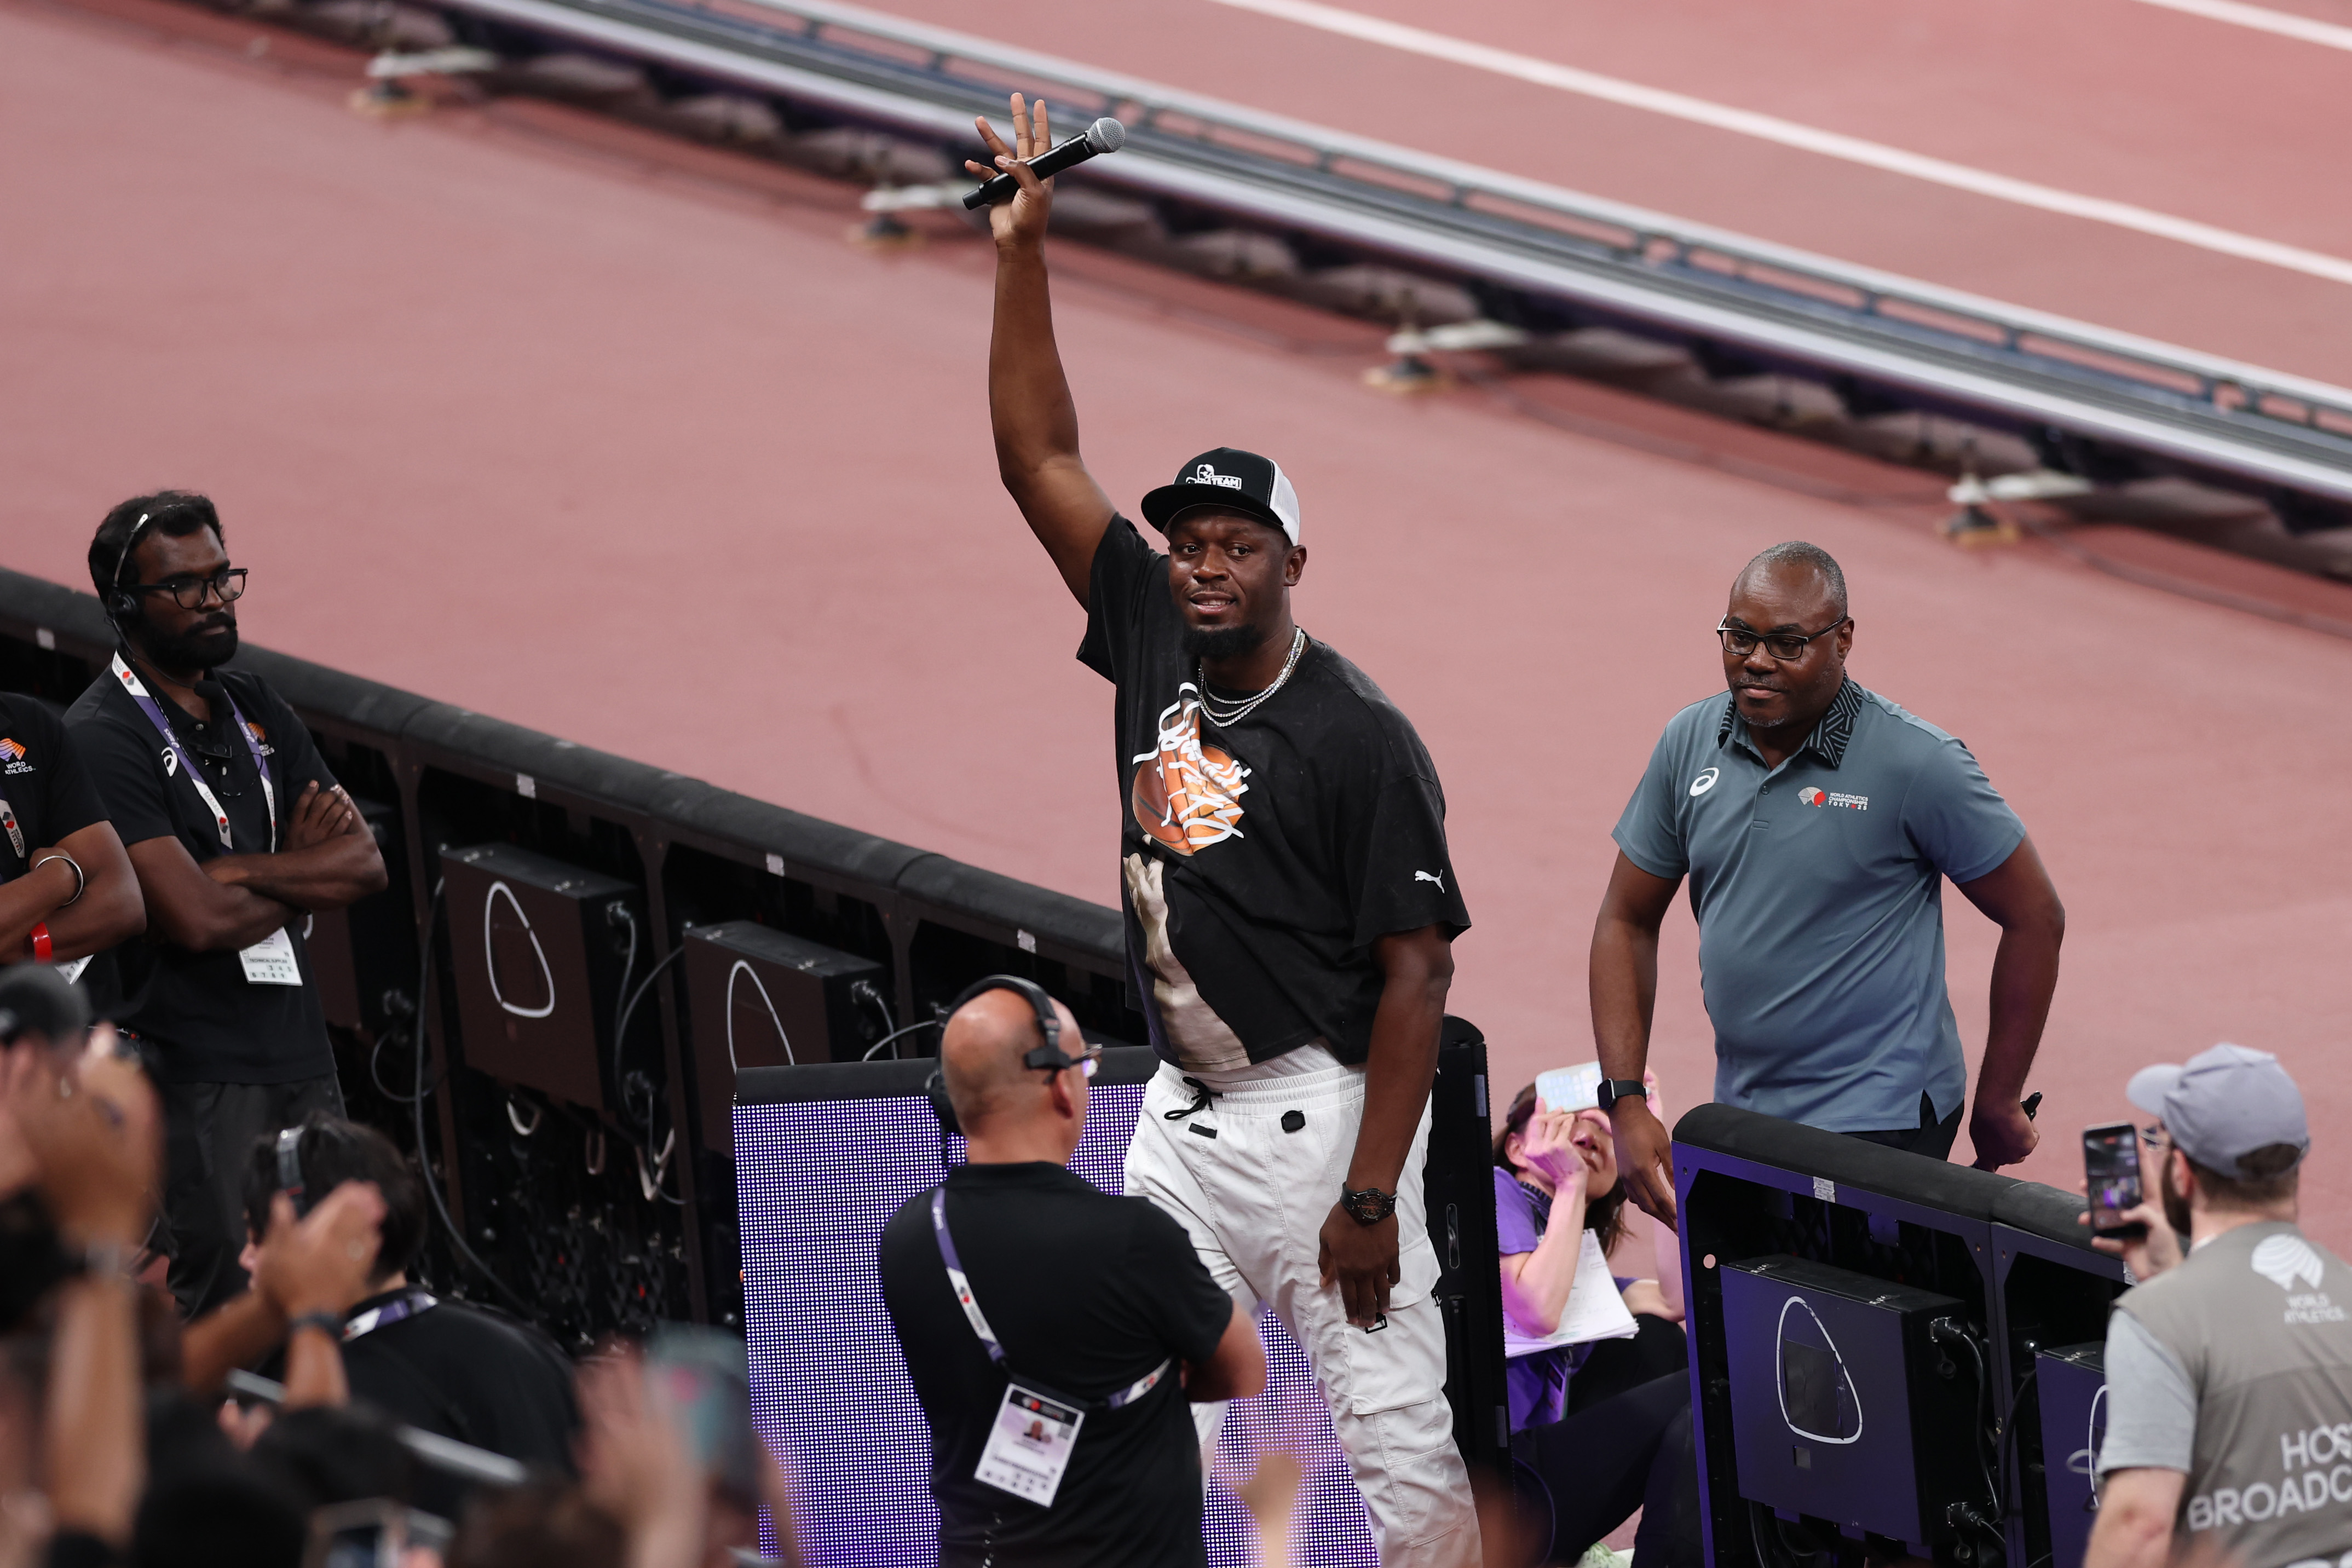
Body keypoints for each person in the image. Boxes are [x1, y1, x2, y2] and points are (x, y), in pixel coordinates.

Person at [972, 92, 1480, 1565]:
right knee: (1129, 1420)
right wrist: (1024, 247)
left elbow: (1418, 977)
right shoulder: (1145, 626)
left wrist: (1375, 1194)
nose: (1202, 564)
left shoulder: (1359, 736)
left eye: (1234, 544)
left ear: (1290, 562)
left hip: (1323, 1130)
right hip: (1180, 1131)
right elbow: (1034, 458)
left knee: (1399, 1447)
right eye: (1188, 541)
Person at [1592, 541, 2066, 1224]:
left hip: (1883, 1118)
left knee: (1859, 1323)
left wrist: (1999, 1095)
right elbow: (1624, 920)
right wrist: (1626, 1100)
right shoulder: (1689, 740)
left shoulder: (1918, 763)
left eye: (1788, 643)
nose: (1756, 660)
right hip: (1748, 1113)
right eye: (1740, 636)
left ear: (1843, 639)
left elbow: (2035, 916)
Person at [65, 492, 388, 1313]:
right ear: (125, 607)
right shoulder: (104, 737)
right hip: (196, 1079)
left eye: (223, 578)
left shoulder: (256, 706)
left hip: (301, 1055)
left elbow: (363, 865)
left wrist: (244, 872)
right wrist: (292, 866)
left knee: (344, 1289)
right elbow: (195, 920)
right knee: (240, 1303)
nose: (215, 601)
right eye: (188, 587)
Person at [877, 981, 1265, 1567]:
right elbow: (1242, 1368)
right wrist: (1152, 1371)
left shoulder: (908, 1237)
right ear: (1061, 1083)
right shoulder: (1133, 1237)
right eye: (1086, 1063)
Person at [2083, 1044, 2352, 1568]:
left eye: (2158, 1140)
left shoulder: (2159, 1322)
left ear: (2182, 1173)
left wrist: (2170, 1296)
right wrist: (2171, 1281)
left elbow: (2139, 1527)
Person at [234, 1115, 579, 1491]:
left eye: (258, 1239)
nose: (246, 1258)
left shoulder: (299, 1393)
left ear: (314, 1238)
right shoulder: (530, 1348)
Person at [1493, 1084, 1698, 1568]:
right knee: (1707, 1392)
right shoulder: (1493, 1192)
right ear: (1519, 1147)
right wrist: (1568, 1184)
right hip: (1494, 1479)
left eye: (1607, 1130)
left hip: (1539, 1483)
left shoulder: (1578, 1266)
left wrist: (1650, 1146)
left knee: (1660, 1343)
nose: (1593, 1128)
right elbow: (1537, 1309)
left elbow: (1675, 1301)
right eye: (1568, 1119)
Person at [0, 686, 145, 972]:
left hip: (65, 1002)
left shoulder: (28, 722)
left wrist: (15, 944)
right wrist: (59, 878)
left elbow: (123, 904)